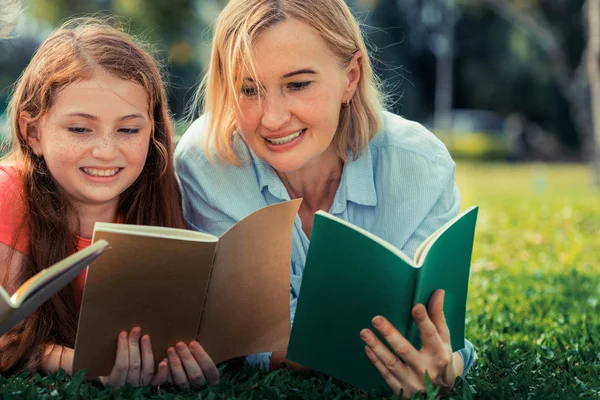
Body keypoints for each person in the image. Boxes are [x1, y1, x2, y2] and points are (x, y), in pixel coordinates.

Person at [175, 0, 475, 397]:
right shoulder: (207, 162)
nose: (272, 118)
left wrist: (446, 364)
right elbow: (244, 336)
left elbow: (433, 330)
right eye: (249, 89)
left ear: (350, 77)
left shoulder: (419, 165)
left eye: (298, 84)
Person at [0, 18, 219, 389]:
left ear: (152, 132)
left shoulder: (165, 200)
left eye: (129, 130)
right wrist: (85, 364)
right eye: (80, 129)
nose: (105, 151)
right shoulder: (9, 193)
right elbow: (6, 337)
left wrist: (184, 362)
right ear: (32, 132)